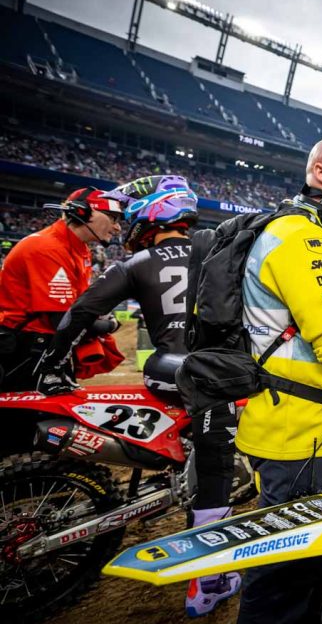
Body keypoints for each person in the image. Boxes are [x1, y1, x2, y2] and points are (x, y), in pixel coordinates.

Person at [30, 175, 238, 617]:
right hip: (216, 375)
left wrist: (50, 366)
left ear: (153, 215)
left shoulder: (137, 261)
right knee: (217, 457)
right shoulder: (221, 252)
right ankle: (209, 578)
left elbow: (81, 311)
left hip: (166, 372)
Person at [235, 137, 322, 624]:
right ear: (320, 175)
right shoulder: (304, 237)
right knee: (286, 580)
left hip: (314, 430)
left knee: (316, 568)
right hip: (302, 436)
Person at [0, 187, 123, 391]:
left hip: (47, 345)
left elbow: (77, 309)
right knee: (32, 418)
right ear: (82, 212)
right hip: (25, 349)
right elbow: (64, 322)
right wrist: (110, 325)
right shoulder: (47, 248)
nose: (118, 228)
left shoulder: (78, 247)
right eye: (113, 218)